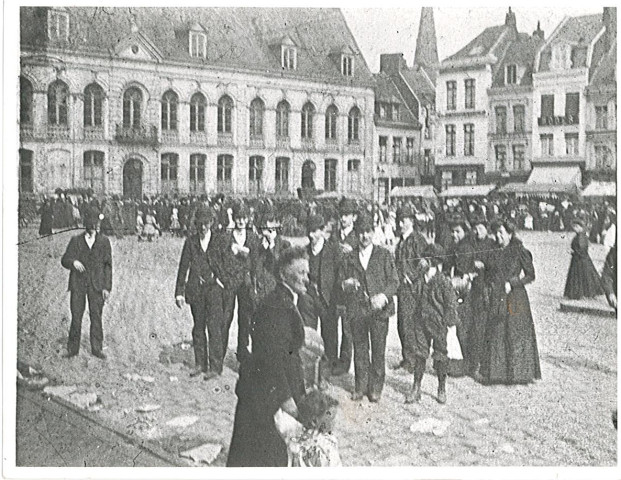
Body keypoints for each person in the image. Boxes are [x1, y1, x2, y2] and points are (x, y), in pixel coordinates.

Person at [226, 247, 309, 467]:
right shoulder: (276, 306)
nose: (306, 279)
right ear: (283, 274)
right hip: (267, 399)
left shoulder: (285, 300)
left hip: (269, 393)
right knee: (265, 457)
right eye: (300, 273)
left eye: (307, 273)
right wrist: (287, 400)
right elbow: (272, 359)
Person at [339, 214, 399, 403]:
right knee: (360, 348)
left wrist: (383, 296)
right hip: (358, 310)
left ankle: (375, 388)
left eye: (368, 232)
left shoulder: (383, 255)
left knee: (378, 350)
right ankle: (360, 386)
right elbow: (341, 282)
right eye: (361, 232)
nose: (364, 236)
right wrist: (346, 284)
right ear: (356, 234)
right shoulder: (349, 257)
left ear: (373, 233)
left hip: (379, 311)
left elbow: (394, 282)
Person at [480, 219, 541, 385]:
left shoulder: (519, 251)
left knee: (515, 332)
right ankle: (496, 373)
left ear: (510, 234)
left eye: (502, 233)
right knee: (497, 332)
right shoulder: (493, 250)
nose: (499, 236)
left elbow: (530, 275)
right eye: (496, 233)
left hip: (515, 297)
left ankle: (519, 374)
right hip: (497, 296)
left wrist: (513, 283)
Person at [174, 207, 225, 380]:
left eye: (206, 224)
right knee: (198, 327)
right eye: (199, 224)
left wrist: (219, 280)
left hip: (214, 291)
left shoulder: (218, 241)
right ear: (196, 224)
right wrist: (179, 292)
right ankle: (200, 364)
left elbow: (226, 264)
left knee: (214, 328)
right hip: (196, 290)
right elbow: (183, 267)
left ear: (211, 223)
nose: (203, 228)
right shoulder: (191, 242)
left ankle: (215, 367)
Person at [405, 244, 459, 405]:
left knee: (441, 355)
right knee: (420, 354)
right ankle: (416, 387)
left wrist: (449, 324)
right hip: (421, 321)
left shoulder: (442, 281)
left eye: (425, 259)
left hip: (438, 323)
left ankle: (441, 387)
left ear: (432, 262)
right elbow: (412, 292)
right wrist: (415, 276)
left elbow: (451, 304)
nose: (422, 262)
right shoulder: (421, 279)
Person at [60, 208, 112, 359]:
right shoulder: (76, 240)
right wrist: (73, 262)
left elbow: (108, 266)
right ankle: (72, 349)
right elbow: (64, 259)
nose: (93, 226)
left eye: (95, 223)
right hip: (78, 285)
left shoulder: (104, 241)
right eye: (90, 223)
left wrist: (106, 287)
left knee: (96, 316)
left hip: (96, 286)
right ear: (85, 224)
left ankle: (97, 348)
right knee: (76, 317)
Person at [218, 202, 261, 363]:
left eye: (244, 218)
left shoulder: (253, 237)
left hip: (246, 282)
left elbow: (256, 262)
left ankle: (242, 351)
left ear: (248, 219)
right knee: (226, 317)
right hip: (230, 282)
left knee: (245, 318)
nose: (241, 221)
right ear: (234, 219)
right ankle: (219, 354)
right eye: (238, 218)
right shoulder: (227, 237)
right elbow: (221, 259)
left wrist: (254, 281)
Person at [306, 214, 341, 374]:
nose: (311, 235)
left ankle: (327, 370)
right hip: (309, 298)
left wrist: (337, 300)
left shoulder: (333, 250)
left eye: (315, 231)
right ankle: (310, 369)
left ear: (322, 231)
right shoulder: (305, 251)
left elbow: (339, 275)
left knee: (329, 336)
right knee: (309, 336)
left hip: (328, 299)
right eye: (309, 231)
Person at [394, 205, 428, 373]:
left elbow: (425, 262)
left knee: (410, 324)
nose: (400, 224)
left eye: (404, 220)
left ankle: (411, 361)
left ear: (412, 221)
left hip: (413, 290)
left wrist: (412, 276)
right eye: (399, 220)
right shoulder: (401, 241)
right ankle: (407, 358)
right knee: (402, 324)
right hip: (402, 289)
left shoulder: (417, 240)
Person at [328, 198, 359, 376]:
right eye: (341, 215)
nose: (343, 219)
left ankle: (345, 362)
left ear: (353, 217)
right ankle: (332, 358)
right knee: (332, 324)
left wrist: (352, 252)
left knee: (347, 326)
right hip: (335, 287)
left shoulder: (356, 237)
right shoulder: (334, 235)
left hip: (349, 288)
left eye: (346, 215)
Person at [563, 218, 605, 300]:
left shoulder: (581, 236)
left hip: (580, 260)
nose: (574, 229)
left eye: (575, 227)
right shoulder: (581, 235)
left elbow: (581, 249)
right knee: (586, 276)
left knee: (582, 276)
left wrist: (573, 252)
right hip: (581, 259)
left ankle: (582, 293)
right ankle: (586, 293)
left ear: (579, 227)